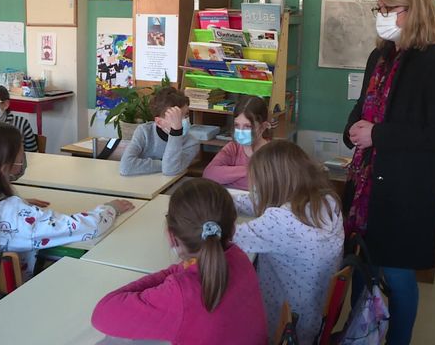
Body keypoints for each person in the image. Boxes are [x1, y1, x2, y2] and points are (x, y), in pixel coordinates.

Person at [343, 0, 435, 344]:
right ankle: (362, 335)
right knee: (362, 267)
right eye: (378, 8)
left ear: (414, 10)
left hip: (404, 190)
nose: (381, 15)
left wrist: (376, 134)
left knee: (396, 275)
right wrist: (351, 131)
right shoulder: (379, 56)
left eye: (388, 8)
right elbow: (363, 107)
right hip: (366, 185)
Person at [0, 123, 134, 280]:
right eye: (22, 152)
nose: (24, 157)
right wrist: (111, 208)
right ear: (6, 168)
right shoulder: (16, 214)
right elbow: (86, 227)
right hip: (14, 296)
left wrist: (14, 205)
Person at [92, 178, 267, 344]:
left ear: (171, 236)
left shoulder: (180, 294)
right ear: (233, 229)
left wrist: (172, 277)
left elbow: (102, 313)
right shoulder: (239, 256)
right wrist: (177, 273)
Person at [232, 140, 344, 344]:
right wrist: (231, 202)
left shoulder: (280, 220)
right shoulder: (327, 201)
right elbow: (261, 201)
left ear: (272, 183)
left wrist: (206, 207)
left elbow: (226, 237)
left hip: (285, 324)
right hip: (313, 314)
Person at [119, 87, 199, 176]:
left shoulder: (191, 143)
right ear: (159, 122)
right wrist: (163, 163)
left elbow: (170, 170)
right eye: (176, 117)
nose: (185, 120)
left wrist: (176, 132)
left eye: (186, 114)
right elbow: (126, 167)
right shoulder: (144, 131)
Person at [203, 96, 271, 190]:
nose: (241, 131)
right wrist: (249, 170)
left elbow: (268, 185)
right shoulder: (233, 147)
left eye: (248, 126)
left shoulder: (273, 153)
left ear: (263, 127)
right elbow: (209, 174)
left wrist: (229, 177)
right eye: (237, 125)